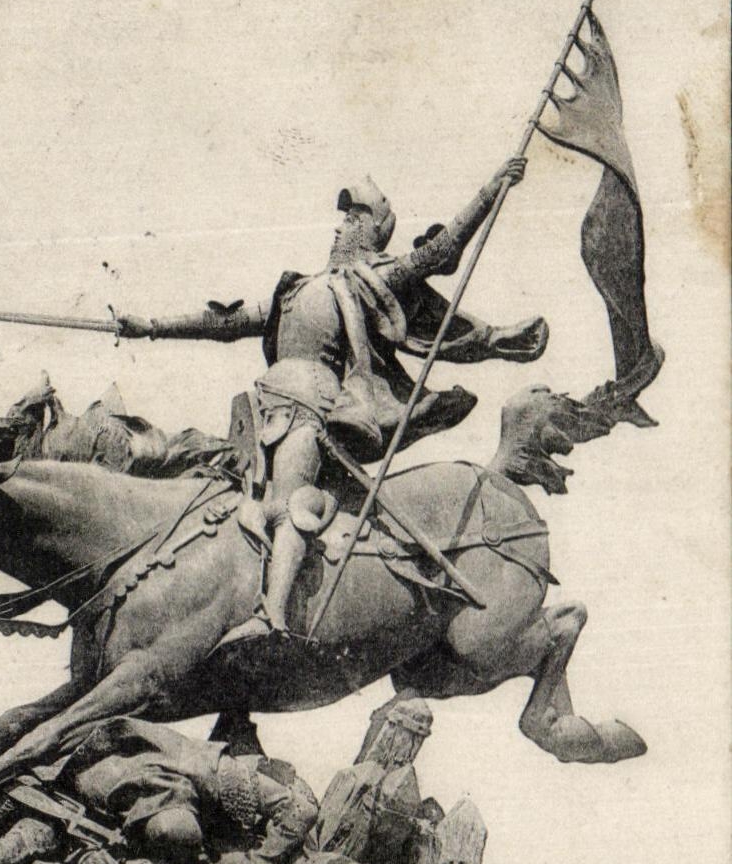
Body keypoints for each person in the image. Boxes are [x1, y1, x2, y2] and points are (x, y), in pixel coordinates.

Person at [117, 162, 547, 637]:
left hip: (310, 413)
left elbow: (441, 251)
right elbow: (225, 322)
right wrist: (151, 327)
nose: (340, 226)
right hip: (261, 415)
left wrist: (491, 190)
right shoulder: (297, 289)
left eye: (352, 218)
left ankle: (273, 617)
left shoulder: (368, 279)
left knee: (289, 504)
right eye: (344, 218)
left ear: (370, 229)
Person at [0, 715, 319, 864]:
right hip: (203, 847)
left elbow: (300, 811)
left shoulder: (213, 771)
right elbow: (30, 843)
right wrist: (90, 856)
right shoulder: (79, 792)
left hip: (277, 845)